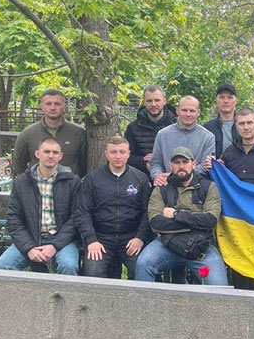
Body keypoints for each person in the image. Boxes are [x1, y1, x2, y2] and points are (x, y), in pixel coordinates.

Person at [135, 147, 228, 285]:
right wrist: (194, 223)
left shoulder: (209, 187)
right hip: (166, 245)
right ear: (170, 165)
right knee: (143, 265)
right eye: (177, 162)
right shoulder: (162, 188)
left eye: (185, 161)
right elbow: (155, 222)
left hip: (201, 249)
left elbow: (210, 220)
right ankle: (149, 306)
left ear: (194, 163)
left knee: (219, 286)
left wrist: (175, 214)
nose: (181, 166)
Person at [0, 136, 81, 275]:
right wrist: (28, 248)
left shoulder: (72, 182)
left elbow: (76, 218)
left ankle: (61, 297)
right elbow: (13, 218)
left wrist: (54, 245)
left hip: (62, 239)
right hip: (31, 237)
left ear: (61, 156)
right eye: (46, 152)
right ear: (37, 154)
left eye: (55, 152)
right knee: (2, 266)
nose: (50, 156)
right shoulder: (22, 183)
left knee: (69, 266)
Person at [76, 136, 151, 279]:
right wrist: (91, 240)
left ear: (128, 154)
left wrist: (140, 237)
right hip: (101, 238)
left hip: (131, 238)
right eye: (113, 152)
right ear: (106, 154)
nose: (118, 156)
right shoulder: (92, 179)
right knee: (93, 274)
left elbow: (147, 211)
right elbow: (82, 211)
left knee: (141, 271)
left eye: (122, 152)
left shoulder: (140, 178)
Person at [12, 89, 87, 177]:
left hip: (69, 187)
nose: (52, 107)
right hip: (37, 187)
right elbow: (18, 163)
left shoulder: (78, 133)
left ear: (65, 107)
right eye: (48, 104)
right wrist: (30, 183)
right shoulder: (28, 134)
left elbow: (84, 164)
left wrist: (72, 182)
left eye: (57, 104)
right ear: (42, 106)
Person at [149, 96, 215, 186]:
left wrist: (178, 175)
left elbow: (205, 166)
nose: (188, 114)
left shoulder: (208, 137)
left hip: (197, 188)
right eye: (184, 110)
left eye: (192, 111)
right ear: (177, 110)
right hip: (167, 186)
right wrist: (157, 176)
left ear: (198, 113)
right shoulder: (163, 135)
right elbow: (155, 163)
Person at [125, 84, 176, 176]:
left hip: (173, 176)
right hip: (143, 177)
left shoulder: (176, 125)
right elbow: (126, 156)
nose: (153, 104)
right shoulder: (133, 128)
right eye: (149, 101)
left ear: (164, 101)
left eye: (157, 100)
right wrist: (143, 160)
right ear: (144, 102)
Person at [203, 83, 239, 158]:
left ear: (236, 100)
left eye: (230, 97)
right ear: (216, 100)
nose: (226, 101)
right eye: (222, 97)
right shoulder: (207, 128)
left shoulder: (244, 125)